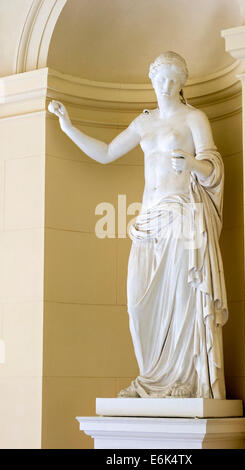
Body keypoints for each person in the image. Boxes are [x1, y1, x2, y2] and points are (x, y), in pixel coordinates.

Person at [48, 51, 228, 399]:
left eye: (175, 79)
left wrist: (192, 163)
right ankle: (150, 379)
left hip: (181, 216)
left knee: (180, 299)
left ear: (182, 83)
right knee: (138, 303)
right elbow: (105, 152)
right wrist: (68, 126)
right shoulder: (144, 123)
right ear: (152, 79)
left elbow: (214, 169)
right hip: (148, 221)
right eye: (162, 78)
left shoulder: (195, 119)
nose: (167, 85)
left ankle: (183, 380)